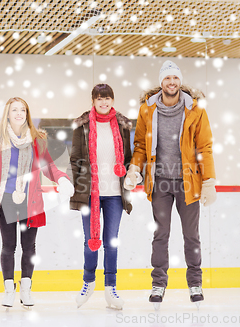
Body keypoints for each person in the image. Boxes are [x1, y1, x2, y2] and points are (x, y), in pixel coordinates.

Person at [124, 61, 217, 306]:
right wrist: (134, 168)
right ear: (161, 82)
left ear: (180, 82)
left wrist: (208, 181)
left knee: (191, 236)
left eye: (175, 78)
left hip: (188, 182)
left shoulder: (196, 111)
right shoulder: (147, 110)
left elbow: (204, 147)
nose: (172, 83)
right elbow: (141, 146)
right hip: (160, 182)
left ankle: (195, 283)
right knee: (160, 235)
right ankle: (158, 284)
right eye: (167, 79)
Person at [0, 97, 74, 308]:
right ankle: (8, 290)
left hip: (29, 201)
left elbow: (48, 166)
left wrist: (61, 178)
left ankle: (26, 289)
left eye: (23, 110)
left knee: (29, 246)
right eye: (15, 110)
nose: (19, 113)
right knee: (8, 246)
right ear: (7, 113)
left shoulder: (37, 139)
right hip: (4, 201)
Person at [69, 84, 133, 310]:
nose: (104, 102)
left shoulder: (123, 126)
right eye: (99, 99)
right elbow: (75, 157)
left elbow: (128, 157)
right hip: (89, 193)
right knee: (90, 241)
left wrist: (132, 176)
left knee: (111, 242)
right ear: (93, 101)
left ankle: (111, 288)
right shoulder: (83, 126)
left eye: (107, 98)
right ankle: (88, 282)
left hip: (115, 194)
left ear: (112, 100)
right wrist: (74, 186)